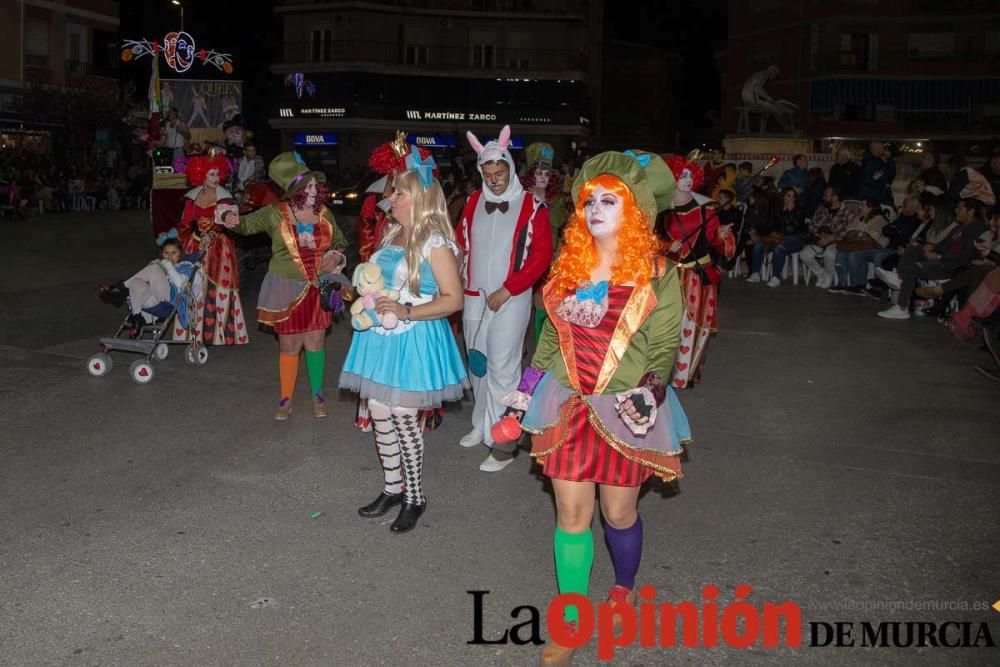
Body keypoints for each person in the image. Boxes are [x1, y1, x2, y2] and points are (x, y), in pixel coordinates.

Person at [499, 150, 690, 665]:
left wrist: (649, 395)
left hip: (625, 410)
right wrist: (518, 402)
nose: (596, 209)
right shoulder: (567, 269)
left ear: (635, 212)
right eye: (589, 200)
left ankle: (623, 587)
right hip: (565, 407)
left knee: (618, 512)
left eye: (611, 200)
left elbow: (664, 350)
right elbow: (545, 345)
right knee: (570, 514)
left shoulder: (658, 273)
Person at [338, 159, 468, 533]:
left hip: (415, 337)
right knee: (379, 411)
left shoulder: (435, 241)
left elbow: (453, 300)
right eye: (391, 191)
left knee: (405, 418)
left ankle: (415, 497)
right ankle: (392, 488)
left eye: (398, 192)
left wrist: (407, 309)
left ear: (421, 198)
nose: (390, 197)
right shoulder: (391, 233)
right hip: (380, 338)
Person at [455, 126, 553, 472]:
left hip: (511, 299)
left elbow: (542, 255)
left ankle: (503, 443)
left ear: (511, 169)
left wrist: (510, 288)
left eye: (500, 172)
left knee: (503, 368)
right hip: (473, 298)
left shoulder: (532, 205)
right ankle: (481, 423)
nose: (494, 179)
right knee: (477, 366)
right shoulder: (471, 202)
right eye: (488, 173)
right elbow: (461, 246)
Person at [222, 152, 348, 418]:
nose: (316, 190)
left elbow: (339, 242)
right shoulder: (273, 213)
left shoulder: (324, 213)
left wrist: (336, 255)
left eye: (316, 185)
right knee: (289, 346)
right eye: (310, 186)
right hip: (285, 288)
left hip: (318, 287)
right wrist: (229, 218)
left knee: (315, 343)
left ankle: (317, 395)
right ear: (295, 192)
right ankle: (285, 398)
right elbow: (244, 226)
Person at [661, 155, 735, 388]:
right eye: (682, 175)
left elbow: (715, 241)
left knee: (692, 324)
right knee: (665, 324)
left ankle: (685, 375)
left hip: (696, 276)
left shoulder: (706, 207)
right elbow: (647, 241)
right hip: (668, 276)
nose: (688, 179)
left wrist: (724, 236)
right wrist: (665, 246)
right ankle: (661, 373)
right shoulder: (660, 209)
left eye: (691, 175)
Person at [175, 150, 249, 347]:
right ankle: (195, 333)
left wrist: (212, 234)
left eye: (218, 174)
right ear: (201, 175)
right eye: (212, 175)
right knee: (194, 287)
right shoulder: (192, 198)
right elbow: (184, 225)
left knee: (218, 288)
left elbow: (223, 221)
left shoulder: (225, 198)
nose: (216, 179)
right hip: (197, 244)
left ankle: (219, 334)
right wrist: (185, 244)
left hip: (220, 249)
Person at [877, 198, 988, 320]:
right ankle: (899, 276)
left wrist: (939, 255)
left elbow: (965, 256)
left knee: (911, 269)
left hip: (952, 265)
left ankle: (902, 308)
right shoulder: (959, 228)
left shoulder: (977, 229)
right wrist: (930, 247)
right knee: (914, 250)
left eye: (960, 209)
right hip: (942, 259)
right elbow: (943, 245)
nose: (956, 211)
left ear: (971, 212)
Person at [121, 236, 200, 337]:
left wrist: (168, 266)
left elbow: (180, 284)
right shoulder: (158, 264)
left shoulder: (185, 265)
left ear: (180, 253)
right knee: (136, 282)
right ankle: (137, 318)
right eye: (166, 253)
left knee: (154, 269)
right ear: (162, 254)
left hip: (168, 303)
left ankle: (122, 288)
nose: (169, 257)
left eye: (174, 253)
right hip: (150, 301)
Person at [800, 185, 859, 288]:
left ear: (835, 197)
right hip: (819, 240)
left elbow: (850, 231)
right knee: (804, 255)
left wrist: (832, 237)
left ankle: (829, 275)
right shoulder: (821, 208)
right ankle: (822, 274)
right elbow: (812, 224)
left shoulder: (847, 212)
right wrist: (820, 235)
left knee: (829, 255)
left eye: (826, 196)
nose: (823, 198)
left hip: (836, 242)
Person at [830, 198, 891, 296]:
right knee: (840, 254)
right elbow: (848, 231)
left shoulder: (879, 218)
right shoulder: (858, 218)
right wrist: (856, 234)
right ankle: (843, 283)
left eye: (862, 205)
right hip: (858, 245)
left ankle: (859, 284)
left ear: (871, 208)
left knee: (854, 255)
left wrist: (856, 234)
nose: (859, 207)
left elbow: (871, 236)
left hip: (874, 246)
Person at [747, 187, 806, 287]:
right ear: (783, 196)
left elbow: (795, 228)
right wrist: (773, 232)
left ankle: (775, 277)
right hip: (778, 238)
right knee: (759, 244)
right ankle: (756, 273)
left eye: (793, 196)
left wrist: (790, 212)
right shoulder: (777, 209)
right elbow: (771, 225)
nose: (791, 199)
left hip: (795, 238)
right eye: (788, 196)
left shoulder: (798, 209)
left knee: (779, 247)